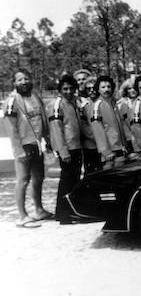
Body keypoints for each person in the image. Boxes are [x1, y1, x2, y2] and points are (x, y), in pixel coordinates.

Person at [5, 69, 53, 228]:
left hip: (37, 144)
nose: (24, 82)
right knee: (23, 180)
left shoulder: (35, 97)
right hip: (23, 146)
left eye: (27, 78)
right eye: (20, 80)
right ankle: (22, 216)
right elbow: (11, 129)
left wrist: (47, 140)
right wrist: (18, 150)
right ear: (14, 83)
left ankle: (39, 210)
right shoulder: (12, 101)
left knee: (38, 178)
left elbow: (43, 120)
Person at [48, 75, 83, 224]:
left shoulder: (73, 103)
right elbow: (56, 129)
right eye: (65, 89)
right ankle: (62, 214)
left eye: (71, 89)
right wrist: (63, 152)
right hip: (67, 149)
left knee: (74, 180)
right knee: (66, 181)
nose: (68, 91)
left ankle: (72, 211)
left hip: (76, 147)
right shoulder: (58, 104)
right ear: (60, 90)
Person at [90, 75, 128, 168]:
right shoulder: (97, 105)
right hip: (110, 153)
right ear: (98, 89)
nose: (106, 89)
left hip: (120, 149)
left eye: (109, 87)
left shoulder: (114, 104)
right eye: (103, 87)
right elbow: (97, 130)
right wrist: (106, 151)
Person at [74, 71, 101, 175]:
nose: (81, 82)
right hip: (89, 143)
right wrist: (97, 137)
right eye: (79, 80)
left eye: (84, 79)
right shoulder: (79, 101)